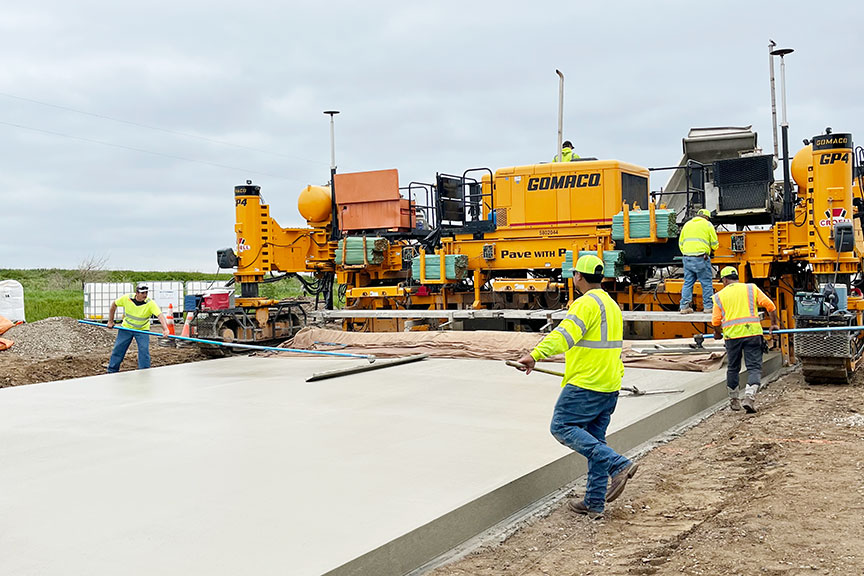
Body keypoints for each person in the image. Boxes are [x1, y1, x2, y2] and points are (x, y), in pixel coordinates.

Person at [515, 254, 637, 519]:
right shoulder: (611, 305)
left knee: (561, 426)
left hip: (586, 384)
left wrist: (535, 355)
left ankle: (619, 463)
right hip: (609, 384)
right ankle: (594, 503)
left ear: (578, 276)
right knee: (595, 441)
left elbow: (564, 336)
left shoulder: (585, 304)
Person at [712, 266, 780, 413]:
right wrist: (774, 324)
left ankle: (734, 400)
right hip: (753, 334)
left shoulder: (719, 296)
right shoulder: (751, 288)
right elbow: (771, 306)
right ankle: (749, 397)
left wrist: (718, 334)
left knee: (733, 368)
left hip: (732, 337)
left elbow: (716, 322)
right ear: (736, 277)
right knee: (754, 368)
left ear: (724, 280)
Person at [106, 283, 170, 373]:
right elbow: (114, 305)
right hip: (126, 328)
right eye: (142, 293)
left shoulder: (150, 303)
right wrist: (110, 321)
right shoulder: (127, 298)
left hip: (142, 330)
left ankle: (144, 372)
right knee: (118, 348)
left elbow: (160, 315)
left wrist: (165, 329)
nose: (144, 295)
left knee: (144, 350)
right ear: (137, 293)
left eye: (146, 293)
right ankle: (112, 370)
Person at [678, 208, 719, 314]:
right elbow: (715, 243)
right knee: (706, 283)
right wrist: (713, 249)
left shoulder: (687, 224)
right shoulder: (708, 225)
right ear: (707, 217)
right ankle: (708, 307)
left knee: (687, 282)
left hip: (687, 257)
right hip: (701, 257)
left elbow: (681, 243)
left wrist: (687, 253)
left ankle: (684, 307)